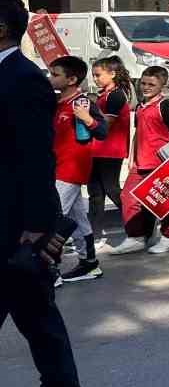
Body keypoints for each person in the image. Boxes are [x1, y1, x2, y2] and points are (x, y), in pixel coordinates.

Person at [0, 0, 84, 387]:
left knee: (35, 312)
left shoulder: (24, 79)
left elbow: (36, 157)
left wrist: (35, 226)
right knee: (36, 314)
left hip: (18, 221)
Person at [104, 66, 169, 255]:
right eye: (143, 83)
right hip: (140, 163)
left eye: (151, 84)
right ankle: (135, 237)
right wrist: (132, 158)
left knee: (163, 200)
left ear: (162, 85)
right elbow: (137, 134)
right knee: (128, 198)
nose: (146, 87)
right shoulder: (140, 106)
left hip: (160, 163)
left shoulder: (165, 106)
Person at [48, 56, 108, 284]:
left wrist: (87, 120)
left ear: (72, 79)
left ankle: (50, 268)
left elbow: (102, 131)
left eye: (55, 74)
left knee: (52, 218)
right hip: (57, 167)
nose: (50, 78)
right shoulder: (56, 102)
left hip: (71, 170)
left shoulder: (82, 103)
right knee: (77, 218)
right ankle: (89, 263)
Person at [86, 56, 132, 242]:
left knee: (112, 190)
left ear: (112, 74)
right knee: (95, 193)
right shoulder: (104, 94)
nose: (95, 78)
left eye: (98, 75)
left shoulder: (116, 95)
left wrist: (85, 118)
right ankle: (94, 236)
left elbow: (107, 123)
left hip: (110, 151)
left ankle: (139, 223)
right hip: (97, 150)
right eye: (94, 75)